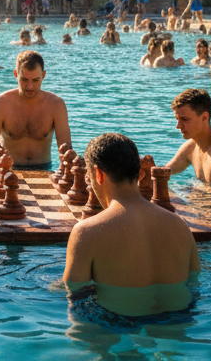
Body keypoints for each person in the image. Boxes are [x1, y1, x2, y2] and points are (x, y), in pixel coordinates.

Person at [63, 132, 200, 317]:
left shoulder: (87, 232)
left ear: (98, 174)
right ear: (140, 174)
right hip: (178, 320)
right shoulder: (180, 225)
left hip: (118, 324)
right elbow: (194, 284)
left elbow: (75, 298)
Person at [0, 50, 71, 168]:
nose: (30, 86)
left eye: (35, 80)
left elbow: (67, 153)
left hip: (44, 168)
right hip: (8, 170)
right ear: (16, 74)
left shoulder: (56, 105)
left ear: (43, 76)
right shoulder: (0, 104)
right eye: (24, 80)